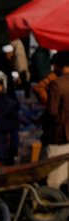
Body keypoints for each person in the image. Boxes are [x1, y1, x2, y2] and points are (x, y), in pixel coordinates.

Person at [44, 51, 69, 192]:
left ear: (55, 67)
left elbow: (52, 112)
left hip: (59, 137)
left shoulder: (56, 84)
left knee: (54, 179)